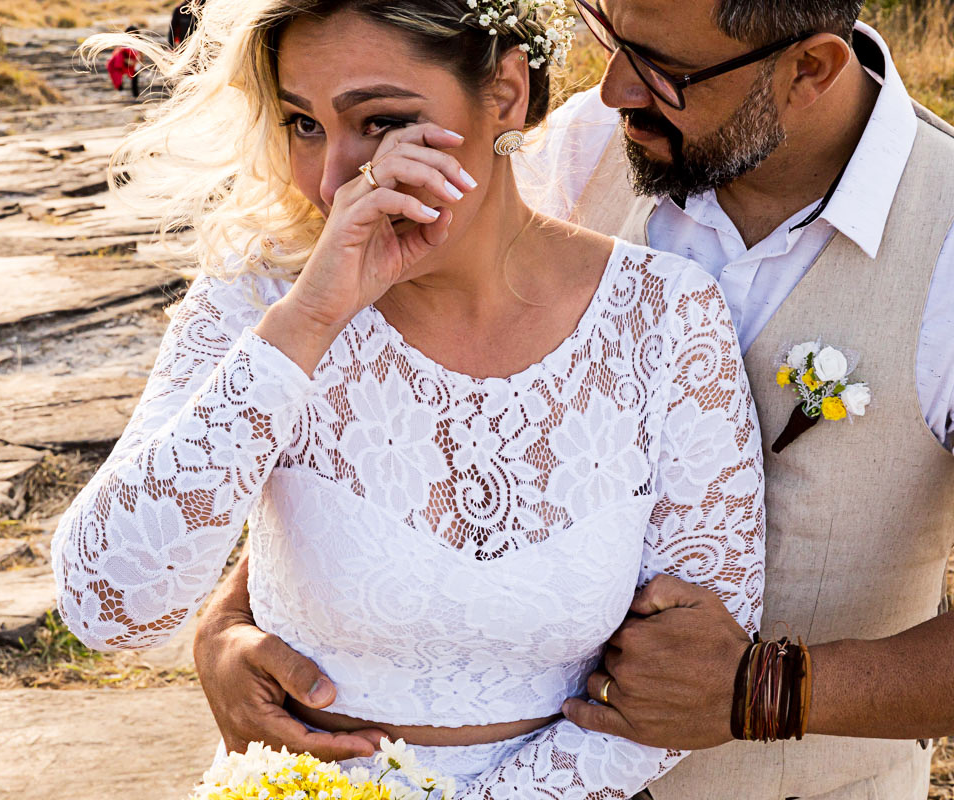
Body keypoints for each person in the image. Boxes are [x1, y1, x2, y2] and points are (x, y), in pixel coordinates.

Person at [192, 1, 954, 799]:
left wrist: (767, 691)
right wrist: (236, 614)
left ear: (811, 67)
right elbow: (393, 418)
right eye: (611, 36)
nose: (613, 92)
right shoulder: (570, 157)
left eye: (663, 68)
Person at [49, 0, 766, 796]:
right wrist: (308, 322)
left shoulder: (666, 317)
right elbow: (107, 607)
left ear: (505, 93)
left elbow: (689, 666)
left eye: (381, 121)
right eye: (304, 124)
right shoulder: (258, 301)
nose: (331, 180)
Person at [106, 25, 141, 97]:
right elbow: (119, 57)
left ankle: (135, 93)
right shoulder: (124, 46)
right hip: (124, 64)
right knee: (119, 76)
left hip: (132, 64)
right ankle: (123, 90)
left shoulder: (139, 44)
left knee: (135, 78)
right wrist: (129, 61)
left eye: (135, 35)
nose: (133, 37)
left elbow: (140, 56)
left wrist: (136, 61)